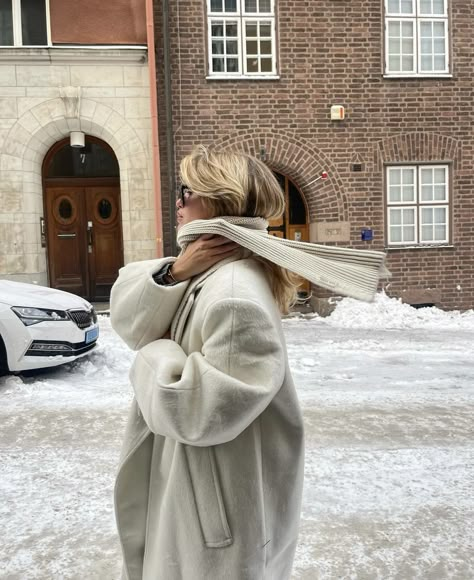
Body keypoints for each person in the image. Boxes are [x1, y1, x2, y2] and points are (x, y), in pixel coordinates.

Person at [110, 146, 305, 580]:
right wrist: (175, 271)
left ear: (219, 200)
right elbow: (130, 321)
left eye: (187, 192)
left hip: (215, 516)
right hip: (199, 491)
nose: (178, 203)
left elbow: (202, 411)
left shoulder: (233, 293)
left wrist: (154, 353)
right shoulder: (210, 275)